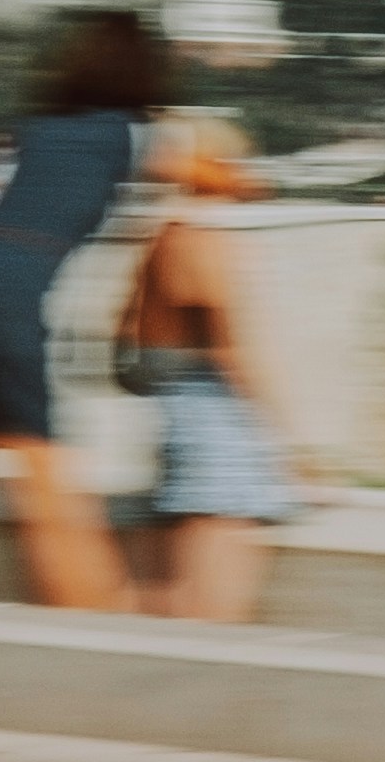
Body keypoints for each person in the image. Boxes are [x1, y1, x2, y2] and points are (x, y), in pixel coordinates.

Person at [0, 8, 170, 611]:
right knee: (45, 473)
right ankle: (96, 624)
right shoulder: (139, 132)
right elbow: (223, 179)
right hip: (10, 286)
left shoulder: (35, 126)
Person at [119, 119, 302, 621]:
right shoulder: (199, 236)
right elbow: (232, 348)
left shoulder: (161, 235)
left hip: (183, 405)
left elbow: (127, 344)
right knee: (216, 576)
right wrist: (288, 440)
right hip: (216, 410)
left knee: (177, 575)